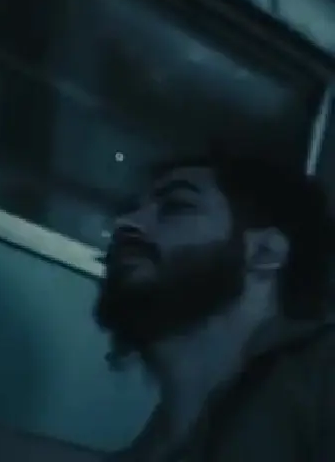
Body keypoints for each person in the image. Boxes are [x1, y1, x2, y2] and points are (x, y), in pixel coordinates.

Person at [94, 149, 335, 461]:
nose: (126, 223)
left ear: (265, 253)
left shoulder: (322, 375)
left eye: (176, 206)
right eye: (129, 209)